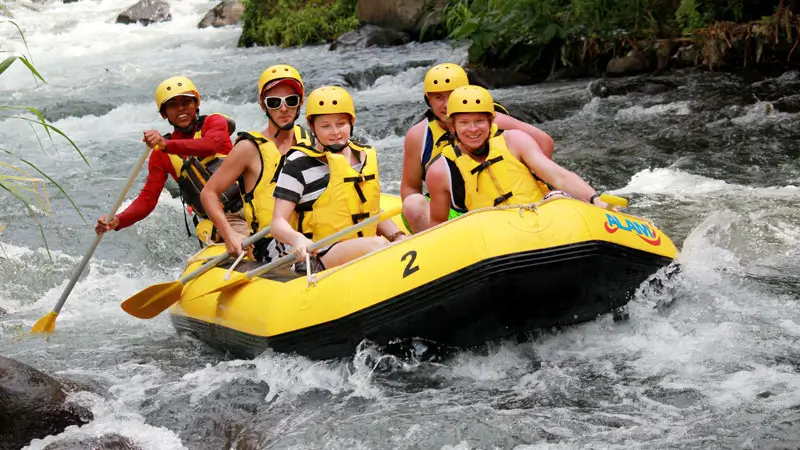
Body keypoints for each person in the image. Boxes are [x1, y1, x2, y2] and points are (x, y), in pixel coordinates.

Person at [425, 85, 612, 229]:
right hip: (491, 237)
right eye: (464, 123)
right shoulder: (440, 170)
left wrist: (594, 197)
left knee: (558, 197)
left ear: (490, 122)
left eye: (479, 121)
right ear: (452, 127)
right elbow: (439, 225)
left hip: (543, 221)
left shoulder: (515, 140)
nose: (473, 129)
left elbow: (559, 176)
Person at [400, 63, 556, 233]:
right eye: (438, 97)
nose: (446, 105)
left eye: (452, 96)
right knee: (412, 204)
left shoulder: (492, 121)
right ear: (428, 100)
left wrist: (529, 182)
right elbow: (410, 187)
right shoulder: (418, 135)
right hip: (454, 211)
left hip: (501, 200)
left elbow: (544, 142)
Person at [270, 86, 406, 273]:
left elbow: (370, 209)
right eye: (325, 126)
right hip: (317, 254)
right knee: (378, 245)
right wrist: (297, 239)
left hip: (360, 244)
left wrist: (397, 235)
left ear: (351, 122)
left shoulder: (363, 156)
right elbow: (278, 223)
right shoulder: (298, 164)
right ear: (313, 127)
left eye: (341, 123)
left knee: (397, 243)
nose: (335, 132)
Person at [95, 76, 247, 238]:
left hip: (251, 203)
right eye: (173, 105)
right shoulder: (160, 154)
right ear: (164, 113)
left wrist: (166, 145)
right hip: (221, 221)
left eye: (186, 102)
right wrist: (118, 220)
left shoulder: (214, 123)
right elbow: (148, 199)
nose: (181, 108)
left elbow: (210, 146)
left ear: (196, 104)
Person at [200, 64, 314, 261]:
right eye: (274, 102)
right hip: (269, 243)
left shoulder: (311, 140)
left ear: (300, 102)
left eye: (291, 100)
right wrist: (229, 234)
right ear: (263, 105)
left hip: (311, 235)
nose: (284, 108)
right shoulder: (249, 149)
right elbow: (208, 193)